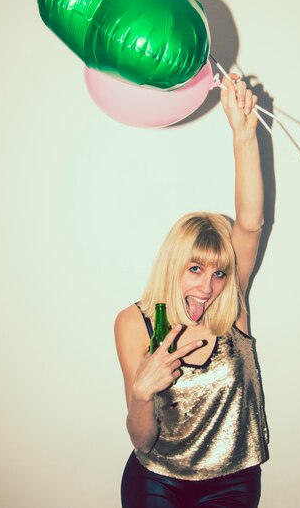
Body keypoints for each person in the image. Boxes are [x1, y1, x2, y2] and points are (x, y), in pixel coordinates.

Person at [114, 74, 269, 508]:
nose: (208, 286)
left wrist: (243, 133)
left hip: (233, 481)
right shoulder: (135, 323)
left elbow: (250, 223)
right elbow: (143, 439)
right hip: (156, 479)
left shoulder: (231, 307)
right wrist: (143, 393)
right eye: (195, 269)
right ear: (173, 265)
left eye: (219, 273)